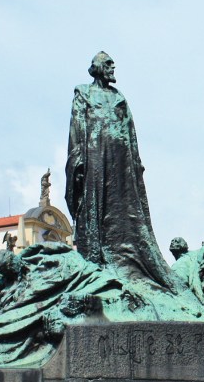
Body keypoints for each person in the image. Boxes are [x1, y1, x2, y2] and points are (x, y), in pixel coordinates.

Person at [64, 52, 177, 289]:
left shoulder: (119, 97)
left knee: (125, 208)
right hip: (94, 155)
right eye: (108, 64)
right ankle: (97, 257)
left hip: (120, 160)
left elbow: (131, 132)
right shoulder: (83, 93)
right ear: (96, 68)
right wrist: (78, 160)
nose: (113, 67)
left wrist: (135, 162)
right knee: (95, 205)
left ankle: (126, 261)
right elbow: (76, 127)